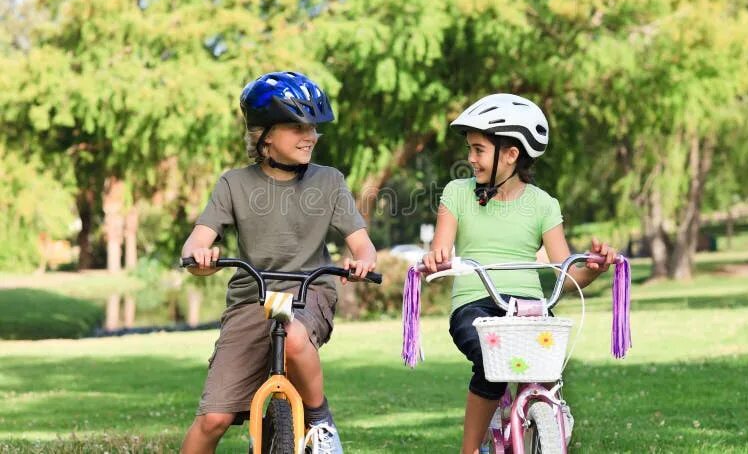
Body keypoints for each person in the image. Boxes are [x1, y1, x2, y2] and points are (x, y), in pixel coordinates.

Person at [180, 71, 377, 454]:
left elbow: (363, 246)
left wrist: (363, 262)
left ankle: (320, 422)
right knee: (213, 420)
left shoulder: (329, 182)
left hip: (308, 294)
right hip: (252, 300)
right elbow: (196, 245)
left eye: (314, 128)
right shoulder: (234, 184)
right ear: (265, 135)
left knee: (295, 337)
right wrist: (202, 258)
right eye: (297, 126)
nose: (311, 136)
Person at [421, 93, 617, 454]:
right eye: (470, 149)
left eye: (479, 150)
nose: (470, 158)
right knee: (489, 364)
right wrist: (437, 258)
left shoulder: (543, 204)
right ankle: (469, 450)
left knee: (545, 363)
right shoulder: (457, 194)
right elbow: (441, 247)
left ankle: (547, 412)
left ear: (511, 154)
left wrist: (593, 268)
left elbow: (565, 273)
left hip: (529, 306)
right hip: (475, 305)